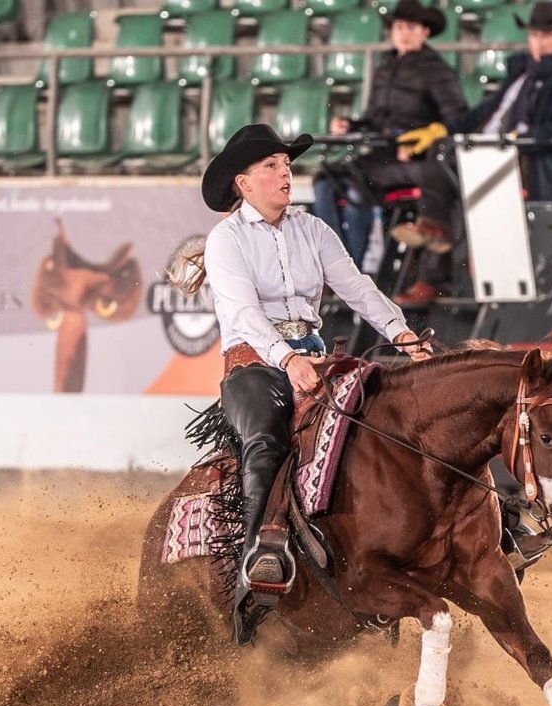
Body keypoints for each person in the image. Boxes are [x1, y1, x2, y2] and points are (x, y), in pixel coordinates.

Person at [175, 123, 431, 644]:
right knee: (266, 439)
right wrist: (285, 358)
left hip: (316, 360)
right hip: (253, 366)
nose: (284, 172)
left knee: (386, 422)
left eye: (286, 164)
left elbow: (357, 286)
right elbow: (244, 314)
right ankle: (258, 557)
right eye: (270, 166)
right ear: (243, 184)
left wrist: (401, 333)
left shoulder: (313, 229)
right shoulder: (228, 239)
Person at [390, 0, 552, 259]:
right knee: (442, 150)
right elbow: (484, 112)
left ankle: (437, 241)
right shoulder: (521, 73)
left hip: (527, 157)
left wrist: (520, 139)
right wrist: (443, 129)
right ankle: (437, 236)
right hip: (494, 149)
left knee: (449, 166)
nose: (540, 43)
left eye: (548, 35)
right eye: (535, 35)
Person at [312, 0, 467, 309]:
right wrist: (352, 124)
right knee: (324, 181)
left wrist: (425, 140)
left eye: (410, 28)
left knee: (355, 183)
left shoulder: (437, 71)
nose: (403, 33)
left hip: (417, 160)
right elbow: (374, 118)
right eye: (399, 27)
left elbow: (457, 118)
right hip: (382, 154)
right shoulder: (385, 68)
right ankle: (332, 270)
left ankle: (347, 272)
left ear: (424, 32)